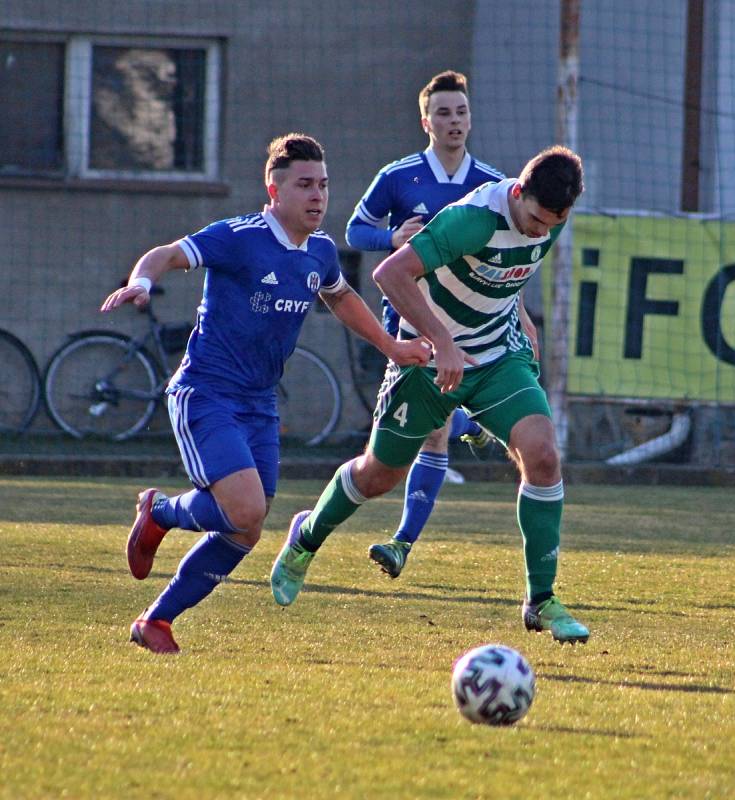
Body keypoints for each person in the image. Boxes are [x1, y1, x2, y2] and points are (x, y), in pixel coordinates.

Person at [100, 133, 429, 654]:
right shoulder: (240, 237)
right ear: (273, 189)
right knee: (247, 509)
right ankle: (160, 513)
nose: (317, 196)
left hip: (258, 402)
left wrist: (392, 345)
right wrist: (142, 281)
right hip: (205, 393)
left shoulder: (319, 252)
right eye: (304, 185)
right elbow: (166, 253)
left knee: (245, 529)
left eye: (322, 184)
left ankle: (156, 621)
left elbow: (342, 300)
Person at [271, 144, 589, 645]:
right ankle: (305, 538)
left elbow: (514, 266)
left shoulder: (549, 214)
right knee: (379, 475)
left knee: (544, 457)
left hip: (496, 358)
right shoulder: (471, 220)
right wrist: (441, 341)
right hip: (427, 358)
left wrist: (521, 316)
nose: (542, 230)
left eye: (554, 223)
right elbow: (389, 274)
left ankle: (541, 600)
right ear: (519, 192)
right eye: (536, 219)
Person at [345, 69, 538, 580]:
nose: (454, 121)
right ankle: (468, 423)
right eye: (444, 112)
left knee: (432, 438)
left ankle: (402, 542)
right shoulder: (398, 176)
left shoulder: (493, 185)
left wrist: (522, 317)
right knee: (389, 457)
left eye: (462, 112)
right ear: (425, 120)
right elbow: (355, 229)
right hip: (411, 321)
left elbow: (503, 266)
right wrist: (389, 239)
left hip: (475, 329)